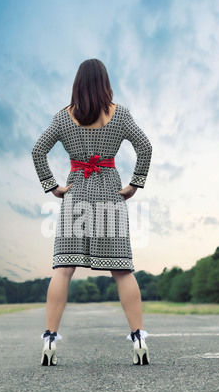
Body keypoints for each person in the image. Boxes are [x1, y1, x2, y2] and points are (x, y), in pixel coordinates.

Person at [32, 59, 152, 367]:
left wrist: (53, 186)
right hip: (111, 194)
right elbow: (145, 147)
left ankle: (49, 339)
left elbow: (38, 150)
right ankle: (139, 338)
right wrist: (135, 183)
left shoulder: (62, 118)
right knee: (122, 270)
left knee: (63, 268)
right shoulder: (121, 114)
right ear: (105, 83)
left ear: (77, 84)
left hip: (76, 194)